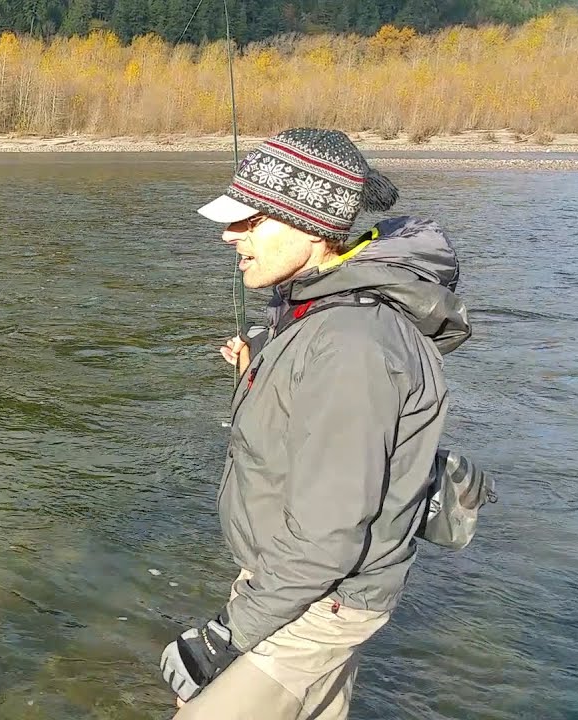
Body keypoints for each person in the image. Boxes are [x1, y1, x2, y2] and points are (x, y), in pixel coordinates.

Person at [159, 128, 475, 719]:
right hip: (298, 586)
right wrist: (266, 366)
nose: (231, 236)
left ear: (310, 225)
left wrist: (224, 637)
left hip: (314, 599)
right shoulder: (313, 312)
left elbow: (328, 537)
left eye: (250, 221)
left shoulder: (351, 344)